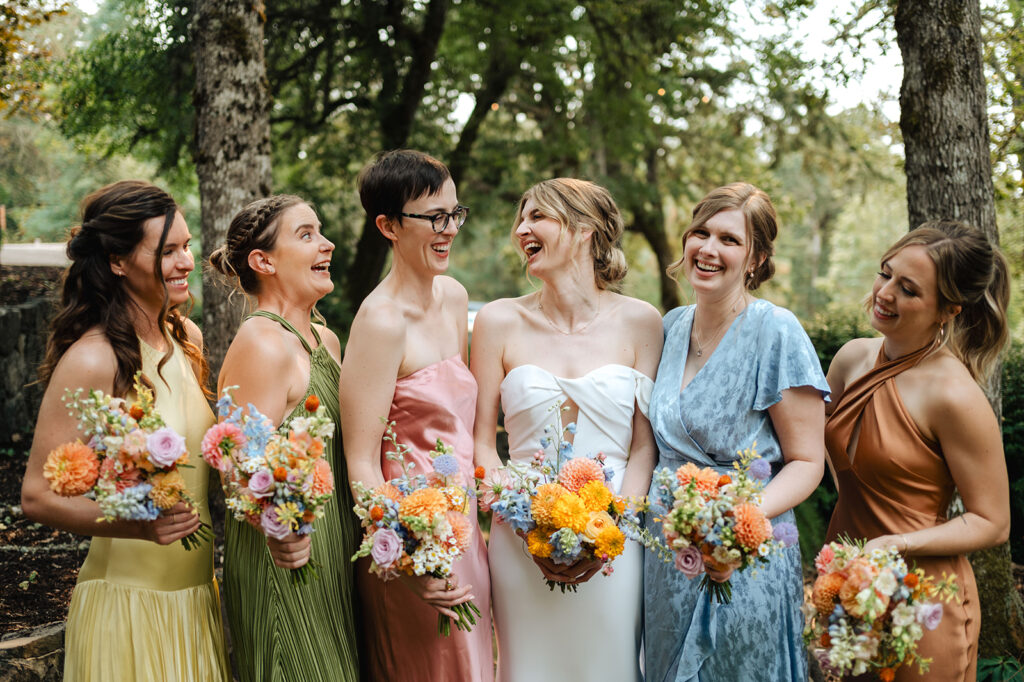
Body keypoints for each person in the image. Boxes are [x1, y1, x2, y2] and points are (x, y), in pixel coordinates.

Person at [20, 180, 230, 681]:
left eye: (186, 246)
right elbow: (36, 497)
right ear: (118, 261)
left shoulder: (186, 336)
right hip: (128, 610)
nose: (185, 262)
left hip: (196, 599)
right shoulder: (93, 358)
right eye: (167, 251)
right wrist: (137, 526)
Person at [471, 178, 663, 681]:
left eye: (538, 217)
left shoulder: (642, 322)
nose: (521, 229)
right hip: (520, 533)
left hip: (616, 533)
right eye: (521, 218)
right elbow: (480, 445)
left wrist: (616, 525)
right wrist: (524, 520)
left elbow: (644, 448)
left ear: (584, 230)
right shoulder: (496, 321)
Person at [643, 182, 828, 682]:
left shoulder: (777, 331)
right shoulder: (671, 326)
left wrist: (735, 521)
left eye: (729, 239)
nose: (708, 249)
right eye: (700, 232)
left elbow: (808, 461)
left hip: (743, 552)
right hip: (666, 554)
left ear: (756, 258)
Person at [824, 221, 1010, 681]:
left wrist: (896, 543)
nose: (884, 293)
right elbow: (818, 455)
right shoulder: (851, 358)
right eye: (884, 273)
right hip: (847, 586)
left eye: (907, 289)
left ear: (948, 310)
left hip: (922, 602)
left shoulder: (954, 395)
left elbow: (994, 521)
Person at [339, 149, 493, 681]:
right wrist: (408, 561)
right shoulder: (381, 323)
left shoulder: (454, 297)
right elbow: (360, 461)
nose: (448, 229)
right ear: (387, 225)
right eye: (433, 217)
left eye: (454, 213)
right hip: (410, 539)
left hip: (464, 530)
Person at [209, 195, 360, 682]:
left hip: (333, 550)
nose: (327, 244)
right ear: (263, 261)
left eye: (321, 231)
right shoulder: (261, 342)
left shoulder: (325, 338)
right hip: (284, 557)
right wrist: (281, 530)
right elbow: (233, 468)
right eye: (307, 234)